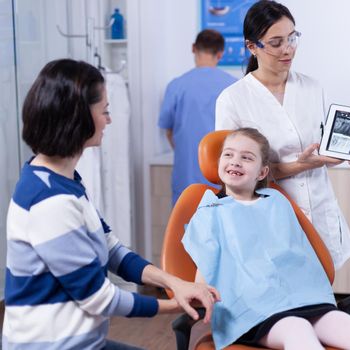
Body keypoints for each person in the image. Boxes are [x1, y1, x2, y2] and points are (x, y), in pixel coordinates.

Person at [2, 59, 220, 350]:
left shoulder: (63, 181)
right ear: (77, 117)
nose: (109, 120)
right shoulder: (49, 202)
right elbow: (99, 298)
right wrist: (176, 304)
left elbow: (113, 250)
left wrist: (177, 284)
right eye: (104, 110)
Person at [182, 128, 350, 350]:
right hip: (251, 311)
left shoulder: (276, 200)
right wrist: (201, 306)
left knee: (349, 327)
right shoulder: (210, 211)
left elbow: (298, 256)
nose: (236, 162)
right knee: (296, 329)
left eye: (247, 158)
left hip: (305, 299)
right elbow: (205, 271)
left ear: (262, 172)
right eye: (228, 155)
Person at [215, 0, 350, 269]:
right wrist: (301, 165)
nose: (288, 49)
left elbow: (322, 147)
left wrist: (343, 153)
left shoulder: (312, 88)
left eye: (292, 38)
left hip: (321, 213)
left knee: (321, 292)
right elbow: (236, 175)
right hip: (270, 218)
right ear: (252, 47)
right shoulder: (233, 99)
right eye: (276, 42)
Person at [159, 29, 237, 206]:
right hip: (224, 178)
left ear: (193, 48)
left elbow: (169, 132)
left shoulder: (176, 86)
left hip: (186, 178)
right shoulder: (233, 86)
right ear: (220, 53)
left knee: (186, 229)